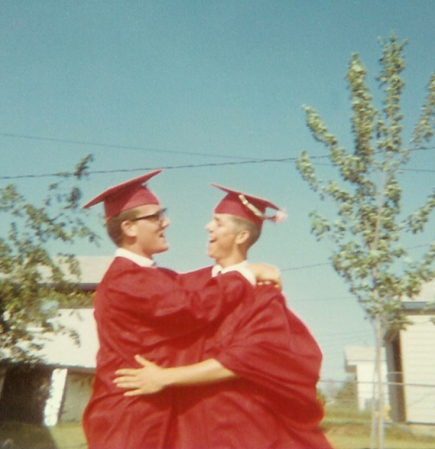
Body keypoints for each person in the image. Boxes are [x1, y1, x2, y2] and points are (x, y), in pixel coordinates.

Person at [115, 184, 333, 448]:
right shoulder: (187, 285)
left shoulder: (263, 296)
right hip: (189, 423)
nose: (208, 227)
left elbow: (240, 360)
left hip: (239, 424)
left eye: (218, 223)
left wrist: (165, 377)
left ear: (241, 236)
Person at [81, 171, 280, 449]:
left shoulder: (149, 277)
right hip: (130, 418)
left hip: (149, 410)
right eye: (156, 216)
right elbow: (195, 305)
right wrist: (247, 274)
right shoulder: (127, 280)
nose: (166, 221)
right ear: (129, 228)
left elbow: (189, 284)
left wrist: (243, 270)